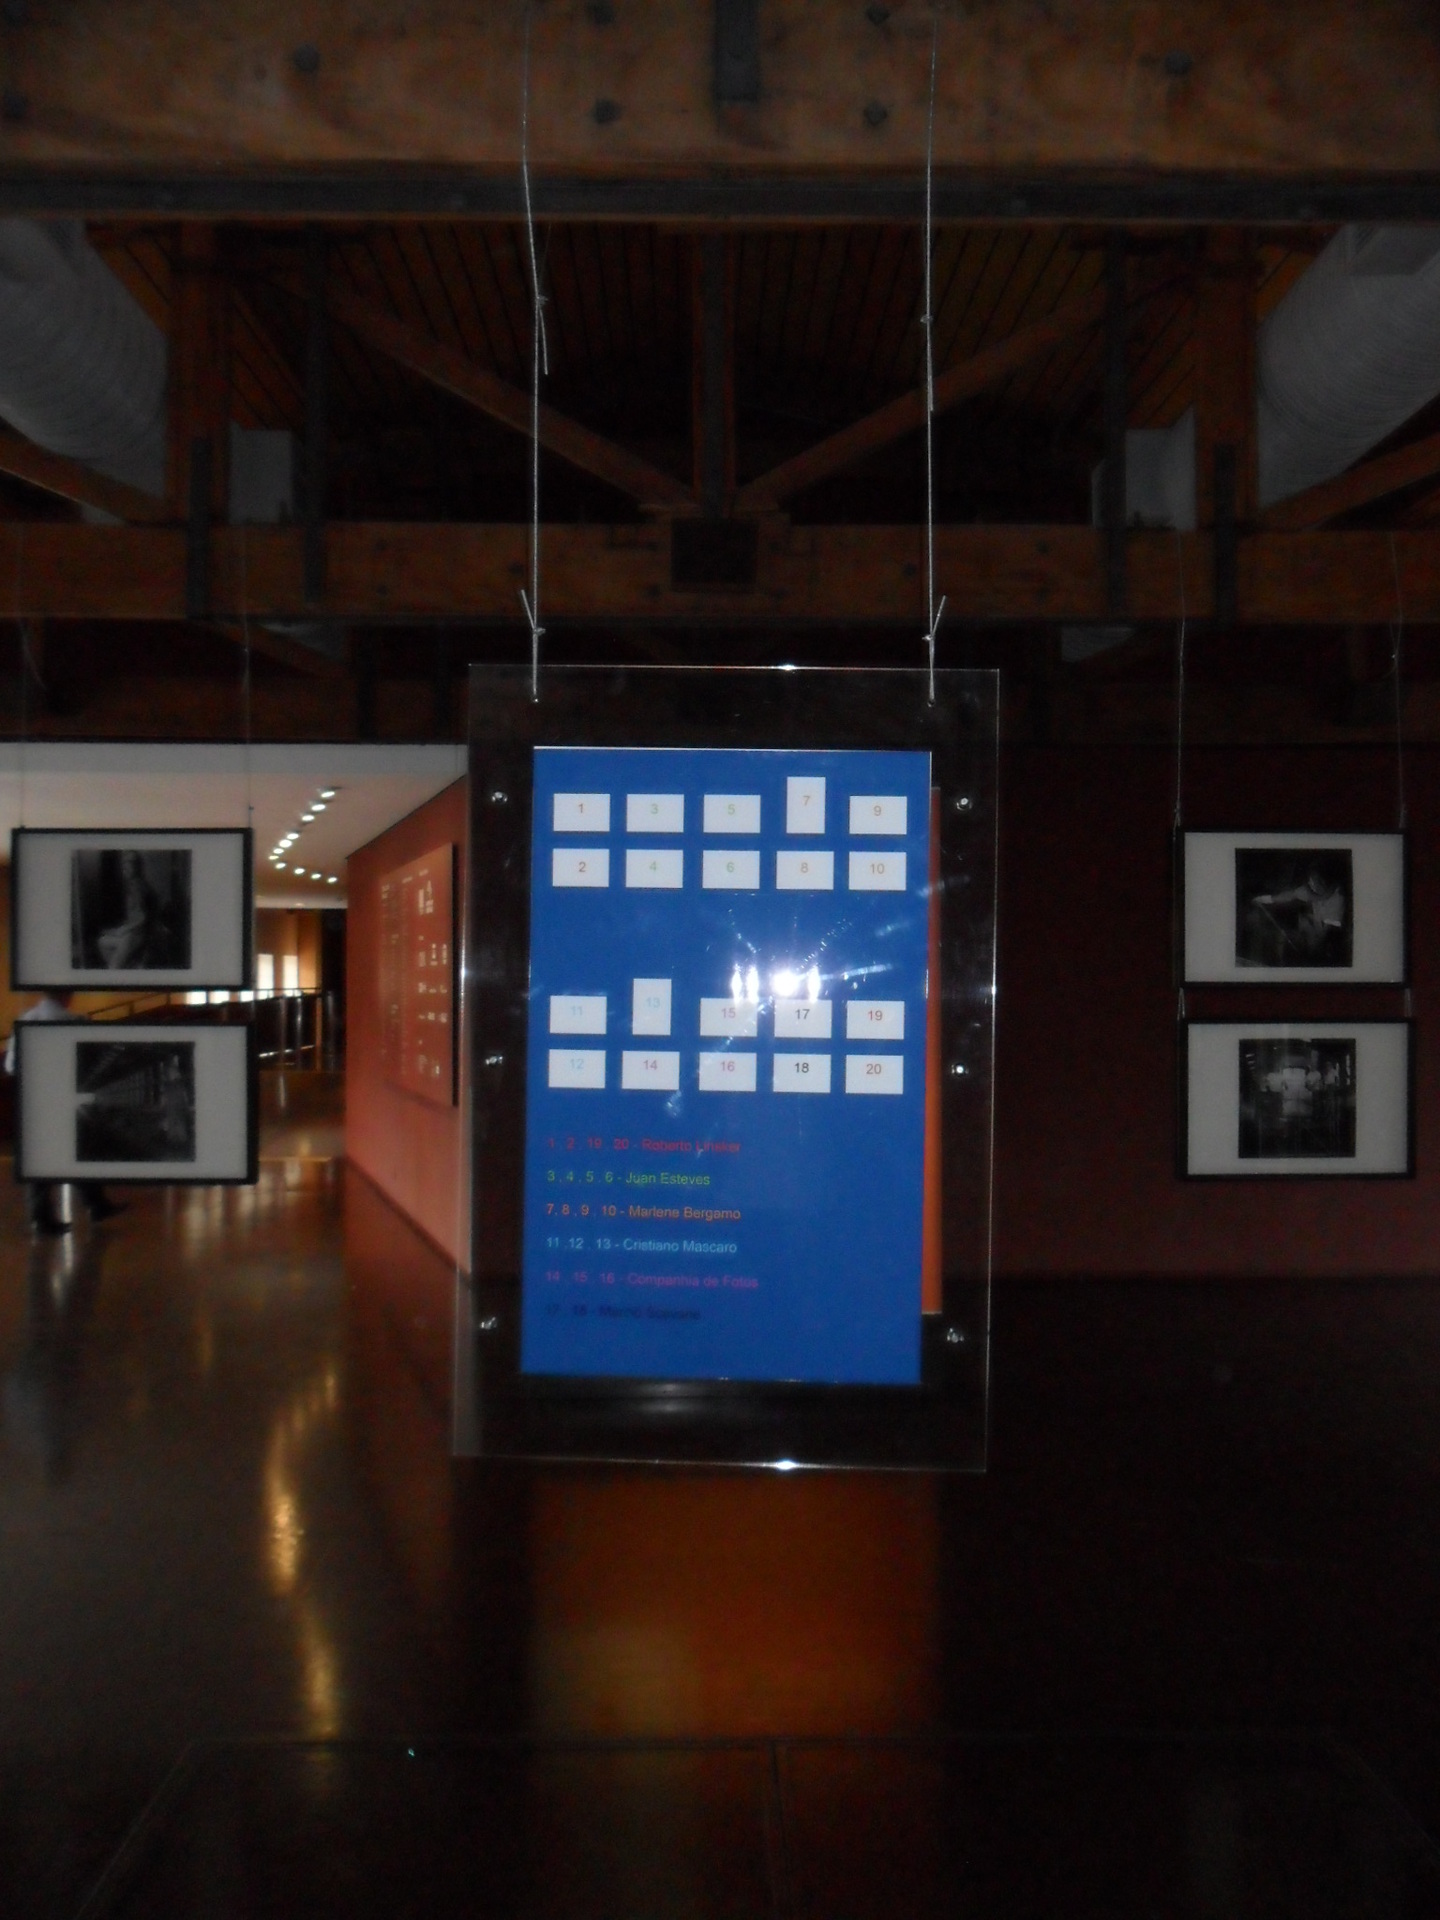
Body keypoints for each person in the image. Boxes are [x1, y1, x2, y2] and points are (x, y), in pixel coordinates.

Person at [4, 990, 124, 1236]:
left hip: (35, 1099)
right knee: (80, 1151)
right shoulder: (76, 1022)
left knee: (42, 1158)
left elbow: (11, 1066)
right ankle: (94, 1205)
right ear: (67, 997)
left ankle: (44, 1216)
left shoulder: (26, 1020)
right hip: (68, 1097)